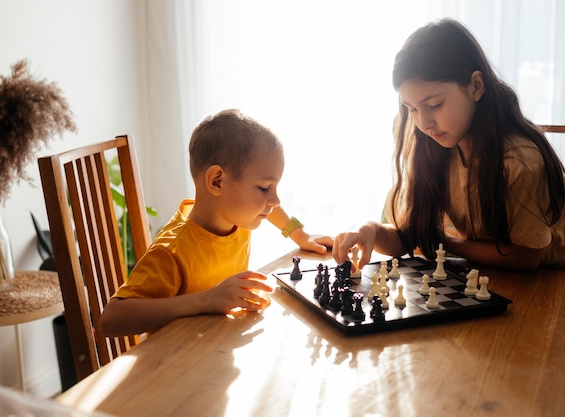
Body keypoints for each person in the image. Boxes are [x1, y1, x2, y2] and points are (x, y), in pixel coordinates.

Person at [333, 18, 565, 272]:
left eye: (434, 105)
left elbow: (526, 256)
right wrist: (371, 229)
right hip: (496, 275)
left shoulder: (520, 162)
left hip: (549, 281)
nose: (424, 123)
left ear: (476, 86)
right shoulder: (436, 146)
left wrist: (446, 243)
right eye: (411, 109)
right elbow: (412, 236)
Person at [100, 109, 333, 337]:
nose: (275, 199)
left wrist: (300, 235)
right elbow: (111, 320)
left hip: (217, 344)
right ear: (217, 181)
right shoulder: (172, 251)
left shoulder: (236, 215)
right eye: (264, 188)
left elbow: (271, 208)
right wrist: (206, 300)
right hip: (178, 363)